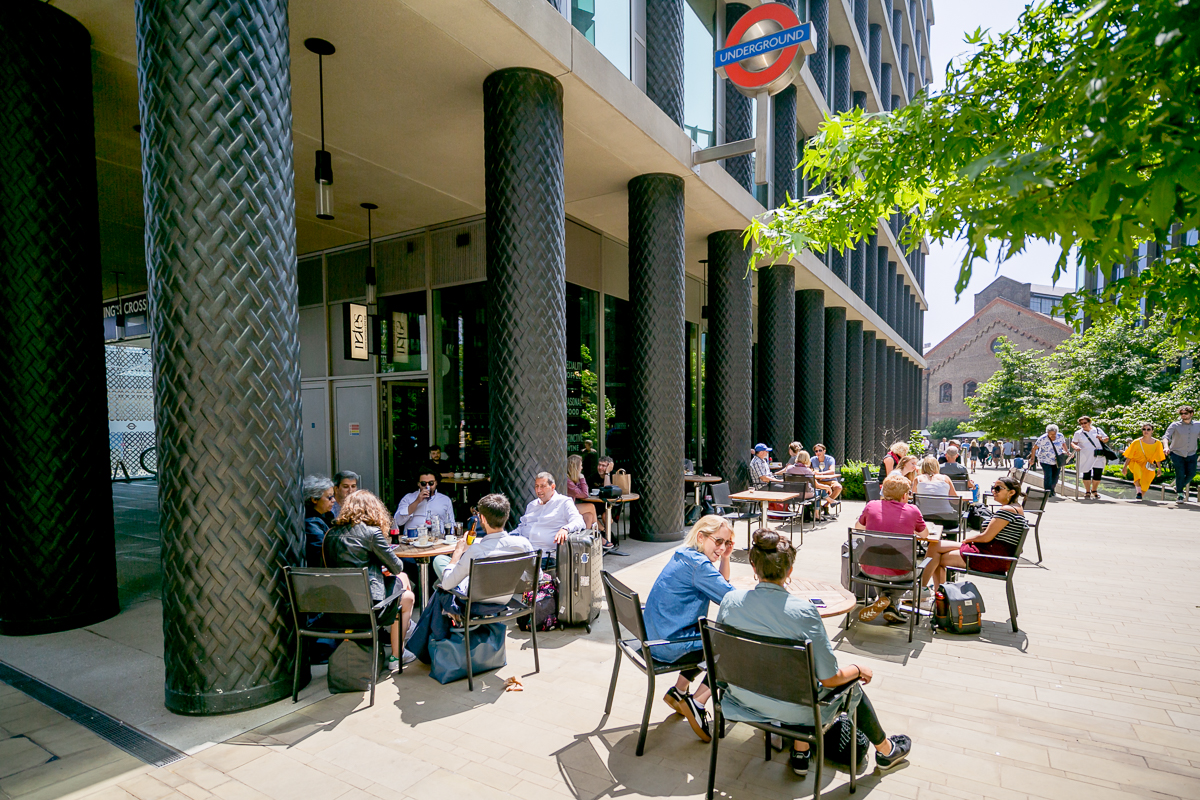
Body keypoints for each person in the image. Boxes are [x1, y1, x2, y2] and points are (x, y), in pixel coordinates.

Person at [716, 530, 912, 777]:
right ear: (790, 570)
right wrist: (858, 669)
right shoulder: (805, 613)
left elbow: (720, 655)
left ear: (753, 566)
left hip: (740, 698)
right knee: (848, 685)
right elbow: (830, 679)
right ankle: (885, 750)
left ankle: (801, 751)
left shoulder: (730, 601)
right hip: (795, 709)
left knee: (793, 678)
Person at [643, 515, 734, 743]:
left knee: (708, 634)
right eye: (718, 541)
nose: (722, 548)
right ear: (701, 537)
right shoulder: (699, 567)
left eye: (726, 543)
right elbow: (730, 598)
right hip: (668, 645)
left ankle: (679, 691)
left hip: (655, 636)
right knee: (732, 646)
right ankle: (698, 702)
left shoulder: (685, 554)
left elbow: (719, 584)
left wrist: (725, 558)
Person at [323, 490, 418, 671]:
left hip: (336, 609)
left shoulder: (329, 534)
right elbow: (397, 566)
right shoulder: (372, 533)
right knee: (407, 596)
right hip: (368, 609)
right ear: (374, 510)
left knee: (402, 582)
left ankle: (407, 629)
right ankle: (397, 655)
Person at [921, 476, 1028, 588]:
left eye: (998, 488)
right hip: (993, 553)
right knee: (935, 545)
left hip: (992, 557)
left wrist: (967, 540)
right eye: (993, 487)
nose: (993, 491)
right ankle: (934, 592)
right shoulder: (1016, 508)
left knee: (936, 558)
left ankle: (924, 590)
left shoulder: (1007, 510)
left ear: (1011, 492)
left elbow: (986, 537)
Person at [853, 472, 928, 626]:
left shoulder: (871, 505)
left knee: (882, 564)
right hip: (901, 572)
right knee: (918, 568)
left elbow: (858, 528)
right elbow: (925, 535)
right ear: (904, 495)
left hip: (869, 568)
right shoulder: (913, 510)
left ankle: (887, 602)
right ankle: (891, 601)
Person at [435, 493, 534, 601]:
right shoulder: (523, 544)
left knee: (439, 561)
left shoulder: (475, 551)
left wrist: (458, 552)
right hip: (505, 599)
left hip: (473, 602)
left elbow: (447, 584)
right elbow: (535, 577)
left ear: (482, 518)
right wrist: (510, 575)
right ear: (506, 516)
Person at [515, 472, 586, 560]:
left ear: (552, 487)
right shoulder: (531, 505)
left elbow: (579, 521)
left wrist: (565, 529)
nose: (538, 490)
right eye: (536, 486)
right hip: (523, 553)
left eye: (542, 486)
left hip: (545, 557)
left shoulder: (563, 502)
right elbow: (521, 527)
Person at [914, 456, 961, 530]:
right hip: (946, 519)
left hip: (924, 519)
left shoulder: (918, 479)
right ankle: (951, 537)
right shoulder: (945, 478)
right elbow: (955, 501)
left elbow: (915, 498)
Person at [1164, 405, 1199, 503]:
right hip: (1177, 453)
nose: (1183, 415)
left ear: (1191, 414)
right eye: (1181, 413)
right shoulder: (1175, 425)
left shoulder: (1198, 425)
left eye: (1185, 413)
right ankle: (1180, 494)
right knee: (1180, 472)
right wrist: (1166, 447)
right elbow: (1166, 437)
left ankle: (1179, 486)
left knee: (1192, 473)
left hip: (1191, 453)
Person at [1122, 423, 1166, 500]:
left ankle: (1140, 497)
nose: (1146, 431)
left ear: (1152, 431)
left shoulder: (1157, 443)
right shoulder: (1136, 442)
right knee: (1138, 475)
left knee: (1146, 482)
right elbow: (1129, 456)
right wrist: (1125, 467)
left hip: (1148, 465)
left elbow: (1158, 457)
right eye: (1144, 429)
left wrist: (1159, 468)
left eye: (1148, 429)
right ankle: (1138, 492)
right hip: (1135, 462)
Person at [1071, 417, 1111, 499]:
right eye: (1081, 423)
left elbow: (1106, 439)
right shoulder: (1078, 433)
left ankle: (1094, 490)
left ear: (1089, 422)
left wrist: (1102, 438)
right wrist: (1075, 447)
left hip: (1098, 455)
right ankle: (1087, 491)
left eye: (1085, 423)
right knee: (1086, 473)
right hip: (1085, 456)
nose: (1083, 425)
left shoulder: (1097, 430)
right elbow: (1073, 442)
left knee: (1098, 473)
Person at [303, 475, 335, 567]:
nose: (333, 500)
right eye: (329, 497)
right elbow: (322, 550)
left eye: (333, 496)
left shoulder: (327, 516)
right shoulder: (311, 523)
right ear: (314, 499)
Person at [1033, 424, 1070, 497]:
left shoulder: (1060, 436)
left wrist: (1067, 452)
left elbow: (1063, 444)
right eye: (1051, 434)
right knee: (1048, 475)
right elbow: (1034, 448)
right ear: (1047, 433)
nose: (1053, 436)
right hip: (1045, 460)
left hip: (1057, 460)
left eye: (1054, 434)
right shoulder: (1042, 438)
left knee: (1056, 476)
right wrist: (1032, 459)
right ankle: (1048, 491)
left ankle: (1052, 489)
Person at [564, 454, 599, 531]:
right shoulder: (568, 481)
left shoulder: (571, 479)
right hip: (565, 509)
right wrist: (582, 478)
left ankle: (586, 537)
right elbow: (585, 494)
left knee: (589, 516)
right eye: (581, 465)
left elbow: (582, 492)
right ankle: (597, 533)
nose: (582, 468)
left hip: (571, 506)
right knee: (591, 507)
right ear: (575, 467)